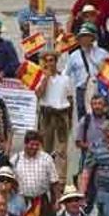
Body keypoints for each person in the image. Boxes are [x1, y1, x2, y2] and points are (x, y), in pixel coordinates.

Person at [35, 50, 72, 181]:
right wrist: (46, 77)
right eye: (47, 61)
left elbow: (69, 98)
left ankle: (61, 179)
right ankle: (45, 177)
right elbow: (38, 94)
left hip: (61, 114)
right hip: (47, 115)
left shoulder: (65, 78)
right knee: (45, 149)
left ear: (56, 62)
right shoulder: (40, 78)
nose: (49, 63)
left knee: (61, 149)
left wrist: (70, 119)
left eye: (52, 60)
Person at [63, 23, 109, 119]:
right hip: (82, 89)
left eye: (87, 36)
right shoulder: (74, 56)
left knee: (102, 116)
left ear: (93, 38)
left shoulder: (103, 53)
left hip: (100, 87)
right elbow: (66, 74)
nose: (84, 39)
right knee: (83, 117)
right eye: (82, 36)